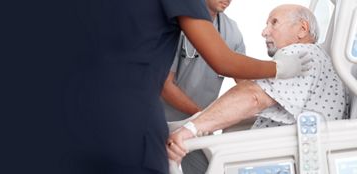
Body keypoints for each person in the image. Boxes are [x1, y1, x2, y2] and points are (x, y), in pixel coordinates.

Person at [64, 1, 311, 174]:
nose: (265, 31)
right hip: (152, 121)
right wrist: (278, 70)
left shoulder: (231, 30)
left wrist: (222, 115)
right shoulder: (184, 15)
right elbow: (222, 64)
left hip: (183, 129)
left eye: (274, 23)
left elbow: (247, 88)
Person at [167, 4, 349, 165]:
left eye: (274, 22)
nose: (264, 31)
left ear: (302, 29)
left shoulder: (300, 56)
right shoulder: (320, 59)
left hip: (279, 158)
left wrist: (192, 128)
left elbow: (253, 96)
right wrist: (208, 121)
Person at [161, 0, 244, 173]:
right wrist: (204, 117)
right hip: (161, 122)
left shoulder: (232, 32)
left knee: (206, 169)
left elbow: (244, 82)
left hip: (197, 128)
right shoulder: (175, 24)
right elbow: (164, 86)